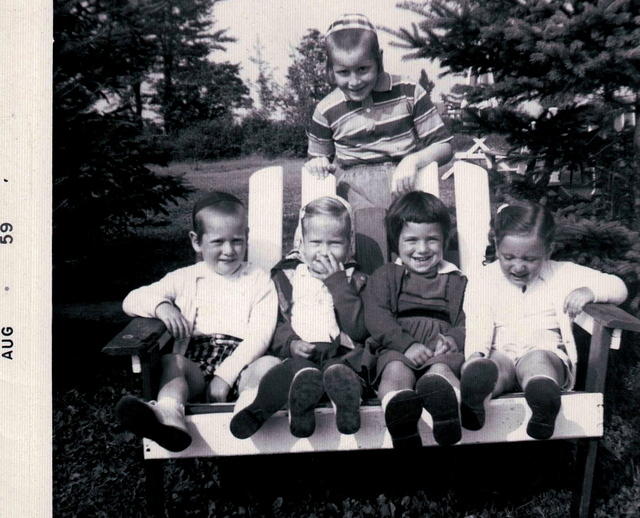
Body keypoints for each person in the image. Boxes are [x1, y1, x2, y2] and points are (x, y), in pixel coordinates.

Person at [115, 192, 279, 452]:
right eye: (218, 242)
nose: (229, 250)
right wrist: (162, 306)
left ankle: (248, 410)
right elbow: (132, 299)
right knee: (172, 363)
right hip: (196, 366)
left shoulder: (259, 280)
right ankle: (170, 415)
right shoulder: (184, 278)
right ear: (196, 241)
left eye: (237, 241)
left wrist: (225, 377)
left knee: (269, 364)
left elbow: (260, 336)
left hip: (241, 362)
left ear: (246, 235)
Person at [460, 201, 628, 440]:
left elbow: (618, 286)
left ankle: (543, 403)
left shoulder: (562, 273)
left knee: (538, 361)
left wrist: (590, 292)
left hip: (544, 348)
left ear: (548, 251)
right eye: (509, 257)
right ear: (497, 246)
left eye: (530, 259)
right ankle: (475, 399)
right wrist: (475, 355)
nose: (518, 266)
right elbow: (478, 323)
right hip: (501, 350)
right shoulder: (485, 279)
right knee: (495, 367)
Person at [230, 196, 369, 439]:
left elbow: (359, 329)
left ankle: (347, 405)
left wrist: (338, 284)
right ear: (302, 244)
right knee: (301, 375)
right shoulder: (287, 277)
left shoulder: (355, 279)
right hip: (299, 357)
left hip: (342, 356)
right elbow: (275, 322)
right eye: (316, 243)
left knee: (343, 373)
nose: (324, 252)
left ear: (348, 246)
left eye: (335, 243)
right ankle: (298, 411)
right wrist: (291, 343)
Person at [304, 13, 453, 212]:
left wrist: (412, 161)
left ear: (379, 60)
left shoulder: (408, 92)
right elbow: (316, 161)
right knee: (366, 233)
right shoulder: (326, 110)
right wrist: (319, 163)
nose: (354, 81)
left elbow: (444, 147)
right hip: (352, 198)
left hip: (404, 190)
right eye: (343, 72)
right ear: (330, 70)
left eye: (363, 69)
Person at [364, 191, 466, 448]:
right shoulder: (387, 274)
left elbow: (470, 318)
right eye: (411, 240)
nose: (422, 249)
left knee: (441, 372)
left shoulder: (457, 280)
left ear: (445, 240)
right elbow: (376, 315)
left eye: (432, 240)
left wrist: (453, 339)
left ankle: (447, 415)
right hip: (397, 348)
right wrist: (405, 344)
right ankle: (399, 417)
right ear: (395, 242)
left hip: (440, 350)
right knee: (395, 372)